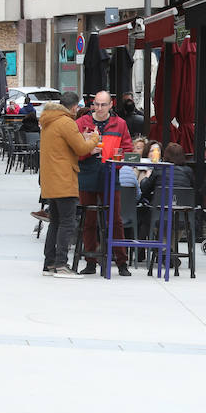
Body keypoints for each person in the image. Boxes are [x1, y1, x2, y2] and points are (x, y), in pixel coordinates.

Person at [39, 94, 100, 277]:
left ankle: (49, 264)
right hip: (64, 179)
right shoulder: (66, 122)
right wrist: (95, 138)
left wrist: (82, 138)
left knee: (55, 222)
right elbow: (81, 149)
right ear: (74, 108)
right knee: (67, 222)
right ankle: (61, 265)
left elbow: (66, 145)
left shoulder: (50, 120)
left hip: (51, 179)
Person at [77, 90, 132, 275]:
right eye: (96, 104)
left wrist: (114, 160)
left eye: (103, 104)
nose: (99, 108)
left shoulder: (120, 124)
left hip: (110, 173)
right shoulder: (82, 123)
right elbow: (74, 149)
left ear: (110, 105)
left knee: (115, 220)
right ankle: (91, 261)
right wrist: (87, 152)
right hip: (88, 173)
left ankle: (121, 261)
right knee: (89, 220)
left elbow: (127, 148)